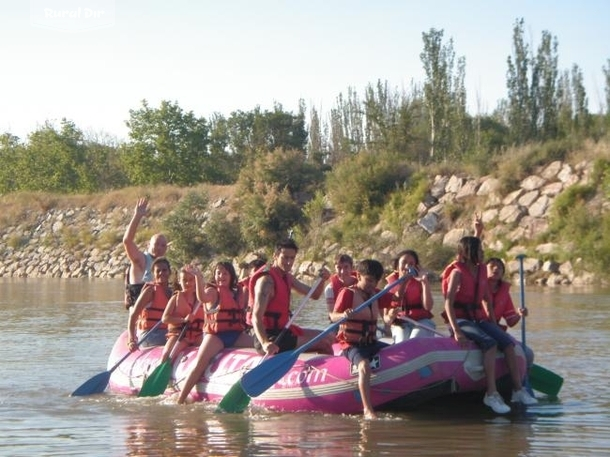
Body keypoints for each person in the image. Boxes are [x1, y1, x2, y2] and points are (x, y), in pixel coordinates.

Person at [442, 236, 537, 414]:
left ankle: (518, 390)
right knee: (490, 343)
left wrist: (494, 325)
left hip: (479, 319)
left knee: (507, 343)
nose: (482, 253)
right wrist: (456, 331)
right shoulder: (457, 273)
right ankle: (491, 393)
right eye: (479, 250)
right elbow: (448, 303)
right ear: (468, 253)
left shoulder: (481, 273)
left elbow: (486, 301)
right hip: (461, 319)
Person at [178, 261, 253, 404]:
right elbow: (202, 298)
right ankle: (181, 399)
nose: (221, 276)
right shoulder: (212, 291)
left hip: (235, 335)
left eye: (225, 273)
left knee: (258, 345)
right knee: (200, 363)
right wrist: (198, 279)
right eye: (218, 273)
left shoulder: (237, 292)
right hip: (216, 336)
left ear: (231, 276)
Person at [247, 239, 333, 356]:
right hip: (269, 337)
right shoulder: (266, 281)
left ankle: (315, 370)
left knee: (328, 336)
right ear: (275, 256)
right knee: (324, 343)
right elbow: (256, 317)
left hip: (283, 331)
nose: (289, 262)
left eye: (292, 258)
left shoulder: (287, 277)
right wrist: (265, 343)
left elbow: (315, 295)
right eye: (285, 257)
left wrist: (322, 280)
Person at [329, 259, 392, 419]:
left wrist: (405, 280)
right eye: (368, 280)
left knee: (396, 351)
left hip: (371, 342)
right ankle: (367, 410)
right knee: (364, 366)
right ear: (358, 275)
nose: (372, 284)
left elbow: (397, 298)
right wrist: (343, 315)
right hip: (351, 344)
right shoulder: (348, 293)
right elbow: (332, 316)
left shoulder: (376, 294)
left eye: (375, 281)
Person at [486, 257, 534, 367]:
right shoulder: (479, 288)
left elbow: (511, 322)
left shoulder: (504, 293)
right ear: (484, 270)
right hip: (481, 326)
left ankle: (523, 375)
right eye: (492, 266)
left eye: (499, 267)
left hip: (495, 329)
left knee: (528, 354)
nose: (496, 268)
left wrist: (519, 314)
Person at [123, 197, 168, 309]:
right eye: (157, 244)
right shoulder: (141, 260)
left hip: (158, 317)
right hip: (142, 317)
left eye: (163, 245)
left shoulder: (164, 266)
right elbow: (127, 241)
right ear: (148, 245)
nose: (160, 248)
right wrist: (137, 215)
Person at [384, 250, 435, 342]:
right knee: (402, 341)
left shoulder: (421, 283)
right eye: (404, 262)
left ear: (416, 267)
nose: (407, 266)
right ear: (397, 267)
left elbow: (428, 307)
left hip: (422, 321)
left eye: (411, 263)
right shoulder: (388, 287)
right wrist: (391, 317)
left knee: (414, 340)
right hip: (400, 323)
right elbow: (386, 318)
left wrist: (425, 282)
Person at [159, 265, 206, 364]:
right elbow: (165, 318)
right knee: (167, 353)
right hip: (179, 335)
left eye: (191, 280)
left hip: (197, 336)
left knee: (208, 352)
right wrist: (183, 320)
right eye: (184, 280)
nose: (188, 283)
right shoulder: (175, 298)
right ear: (179, 281)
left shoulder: (201, 299)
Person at [127, 257, 173, 349]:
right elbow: (133, 315)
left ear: (169, 272)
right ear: (153, 274)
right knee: (174, 340)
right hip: (150, 333)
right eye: (158, 271)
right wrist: (131, 339)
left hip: (167, 331)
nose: (161, 273)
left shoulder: (173, 292)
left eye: (164, 270)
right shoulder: (150, 291)